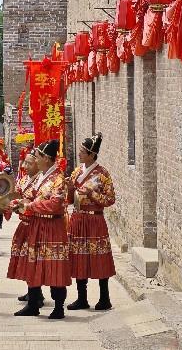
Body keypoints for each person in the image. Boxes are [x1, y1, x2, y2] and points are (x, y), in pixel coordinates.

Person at [11, 139, 71, 319]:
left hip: (52, 226)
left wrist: (30, 206)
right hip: (36, 224)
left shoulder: (58, 179)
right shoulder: (40, 178)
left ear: (47, 158)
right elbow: (28, 198)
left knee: (54, 264)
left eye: (37, 157)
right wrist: (19, 204)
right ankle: (32, 304)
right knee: (34, 262)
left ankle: (59, 307)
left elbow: (55, 205)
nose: (35, 160)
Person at [65, 133, 116, 311]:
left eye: (82, 151)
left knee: (99, 256)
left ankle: (104, 298)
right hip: (78, 219)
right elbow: (70, 200)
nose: (79, 154)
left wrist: (91, 194)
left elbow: (110, 200)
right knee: (79, 257)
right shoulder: (77, 172)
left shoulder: (102, 175)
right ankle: (82, 297)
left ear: (91, 154)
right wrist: (70, 189)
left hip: (95, 219)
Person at [7, 150, 47, 309]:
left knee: (34, 258)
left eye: (29, 163)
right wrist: (11, 205)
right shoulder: (23, 180)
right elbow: (14, 196)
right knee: (24, 257)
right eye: (25, 162)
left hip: (35, 224)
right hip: (23, 224)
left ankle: (36, 293)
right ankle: (32, 290)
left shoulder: (41, 181)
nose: (25, 166)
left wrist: (24, 204)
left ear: (38, 164)